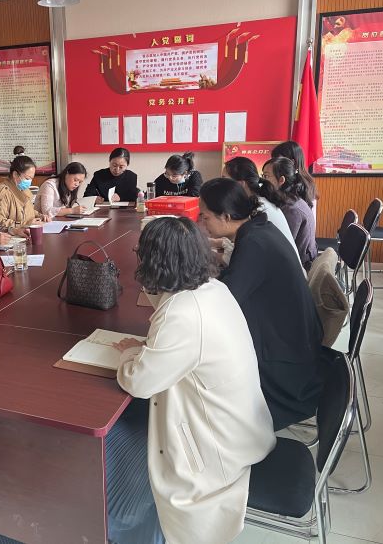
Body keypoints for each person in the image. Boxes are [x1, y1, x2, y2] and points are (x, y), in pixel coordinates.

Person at [107, 217, 275, 544]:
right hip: (241, 424)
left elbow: (139, 383)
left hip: (216, 449)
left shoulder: (181, 313)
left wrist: (127, 353)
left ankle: (124, 523)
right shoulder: (213, 289)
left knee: (122, 437)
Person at [198, 178, 324, 430]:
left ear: (225, 216)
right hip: (294, 340)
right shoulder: (258, 229)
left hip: (285, 361)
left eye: (206, 217)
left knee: (204, 351)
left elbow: (225, 301)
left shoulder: (254, 243)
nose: (203, 223)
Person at [224, 156, 300, 264]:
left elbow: (245, 256)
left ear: (240, 184)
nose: (221, 184)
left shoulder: (258, 208)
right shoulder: (259, 201)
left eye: (224, 179)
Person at [261, 157, 318, 269]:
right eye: (262, 176)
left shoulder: (291, 209)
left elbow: (283, 247)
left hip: (299, 267)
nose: (262, 181)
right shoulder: (290, 199)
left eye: (266, 176)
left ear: (281, 180)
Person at [0, 154, 50, 228]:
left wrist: (40, 216)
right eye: (27, 178)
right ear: (15, 174)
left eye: (31, 179)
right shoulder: (2, 192)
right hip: (11, 234)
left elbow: (28, 211)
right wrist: (25, 224)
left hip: (27, 231)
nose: (29, 182)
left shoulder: (23, 188)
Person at [272, 140, 319, 213]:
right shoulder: (308, 181)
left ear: (292, 162)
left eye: (277, 161)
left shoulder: (295, 186)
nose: (272, 165)